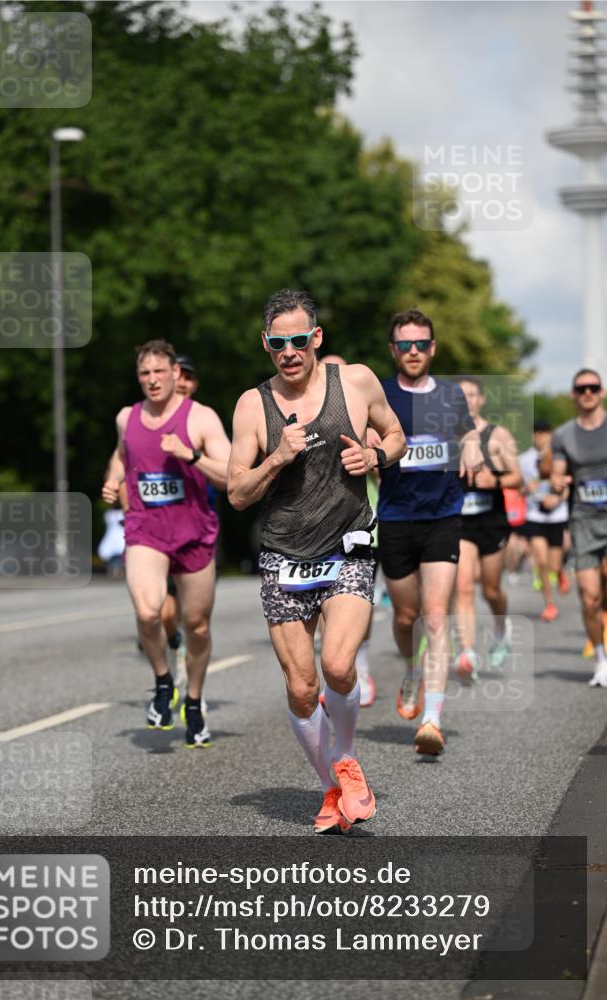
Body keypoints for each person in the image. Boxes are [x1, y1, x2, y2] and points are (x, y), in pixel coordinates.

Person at [228, 289, 406, 833]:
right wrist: (276, 459)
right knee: (303, 689)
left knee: (337, 666)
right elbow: (237, 492)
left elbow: (397, 435)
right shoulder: (251, 405)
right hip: (284, 554)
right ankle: (331, 787)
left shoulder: (355, 382)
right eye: (278, 343)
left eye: (298, 340)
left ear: (316, 338)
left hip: (347, 543)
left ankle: (346, 760)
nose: (289, 351)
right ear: (266, 344)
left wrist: (376, 455)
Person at [102, 339, 231, 745]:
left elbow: (231, 476)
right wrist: (114, 478)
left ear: (176, 373)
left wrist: (189, 454)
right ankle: (163, 683)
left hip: (193, 532)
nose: (153, 380)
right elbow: (123, 455)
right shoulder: (128, 417)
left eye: (160, 372)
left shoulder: (202, 418)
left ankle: (193, 700)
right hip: (146, 529)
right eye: (145, 373)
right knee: (147, 611)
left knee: (196, 625)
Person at [376, 308, 483, 755]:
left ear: (433, 348)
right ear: (393, 350)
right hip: (396, 517)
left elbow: (469, 433)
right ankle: (411, 669)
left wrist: (473, 446)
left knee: (435, 616)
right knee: (406, 617)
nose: (414, 351)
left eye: (421, 344)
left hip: (442, 516)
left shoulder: (451, 395)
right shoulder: (379, 394)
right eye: (405, 345)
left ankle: (432, 719)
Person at [453, 376, 523, 680]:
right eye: (461, 395)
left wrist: (493, 480)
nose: (467, 400)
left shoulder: (498, 436)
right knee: (463, 586)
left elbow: (517, 478)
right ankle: (467, 651)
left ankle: (499, 625)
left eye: (472, 395)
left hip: (491, 521)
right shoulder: (446, 435)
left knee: (492, 589)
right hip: (459, 522)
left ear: (481, 399)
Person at [319, 353, 377, 707]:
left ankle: (361, 664)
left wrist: (370, 456)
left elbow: (390, 452)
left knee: (356, 605)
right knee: (326, 604)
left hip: (364, 527)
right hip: (317, 533)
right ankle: (337, 669)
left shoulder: (363, 416)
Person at [551, 368, 607, 688]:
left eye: (593, 387)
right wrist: (557, 483)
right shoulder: (564, 434)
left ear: (601, 392)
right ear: (574, 394)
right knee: (589, 596)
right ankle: (601, 659)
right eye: (581, 388)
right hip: (584, 519)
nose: (587, 393)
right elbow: (558, 476)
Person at [519, 420, 571, 621]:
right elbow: (518, 487)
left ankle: (559, 573)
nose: (540, 436)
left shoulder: (561, 457)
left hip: (557, 516)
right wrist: (527, 490)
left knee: (554, 565)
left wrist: (557, 499)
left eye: (544, 432)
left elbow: (567, 486)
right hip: (535, 516)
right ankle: (550, 604)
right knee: (540, 561)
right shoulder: (524, 460)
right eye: (536, 433)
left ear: (550, 434)